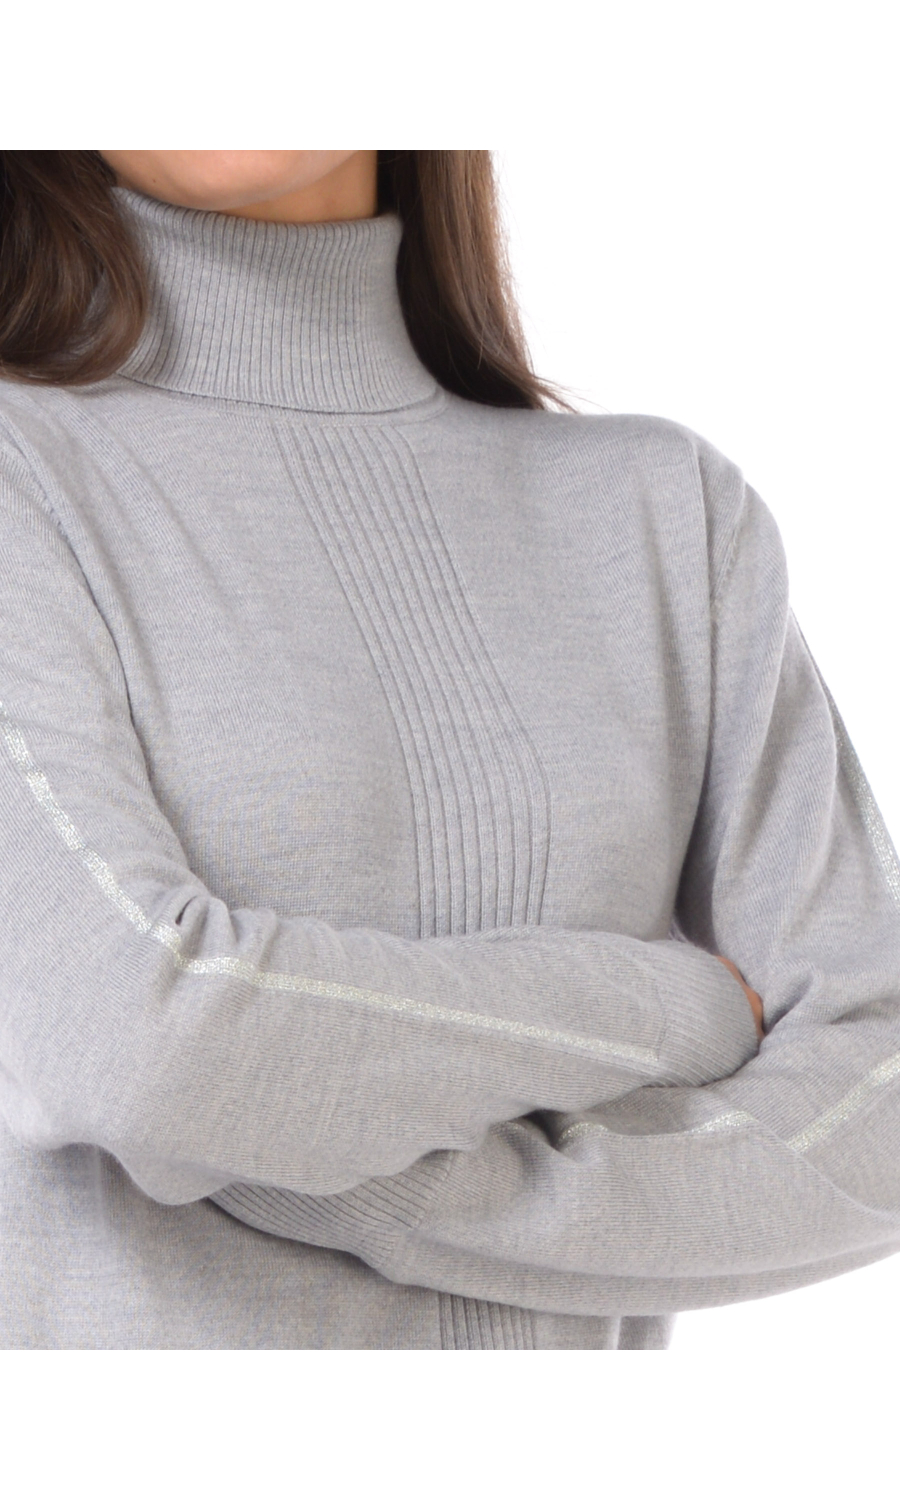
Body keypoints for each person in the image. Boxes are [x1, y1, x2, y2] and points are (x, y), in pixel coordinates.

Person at [0, 149, 896, 1351]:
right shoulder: (24, 478)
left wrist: (405, 1195)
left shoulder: (664, 516)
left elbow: (879, 1087)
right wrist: (674, 1006)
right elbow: (144, 1047)